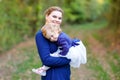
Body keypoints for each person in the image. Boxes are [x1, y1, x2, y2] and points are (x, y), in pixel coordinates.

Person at [33, 6, 86, 80]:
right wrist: (69, 59)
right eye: (54, 16)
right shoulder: (41, 35)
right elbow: (47, 60)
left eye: (59, 18)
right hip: (53, 74)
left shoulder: (60, 33)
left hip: (65, 72)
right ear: (47, 16)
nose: (57, 20)